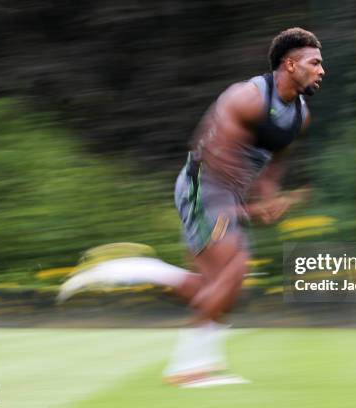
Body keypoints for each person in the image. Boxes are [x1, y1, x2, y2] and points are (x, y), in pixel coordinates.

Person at [57, 27, 324, 387]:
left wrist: (269, 198)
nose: (322, 70)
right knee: (236, 264)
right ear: (290, 65)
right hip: (203, 187)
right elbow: (213, 162)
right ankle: (188, 369)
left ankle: (130, 270)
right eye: (315, 63)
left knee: (214, 290)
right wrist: (247, 211)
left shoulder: (300, 117)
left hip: (227, 195)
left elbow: (271, 167)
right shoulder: (246, 98)